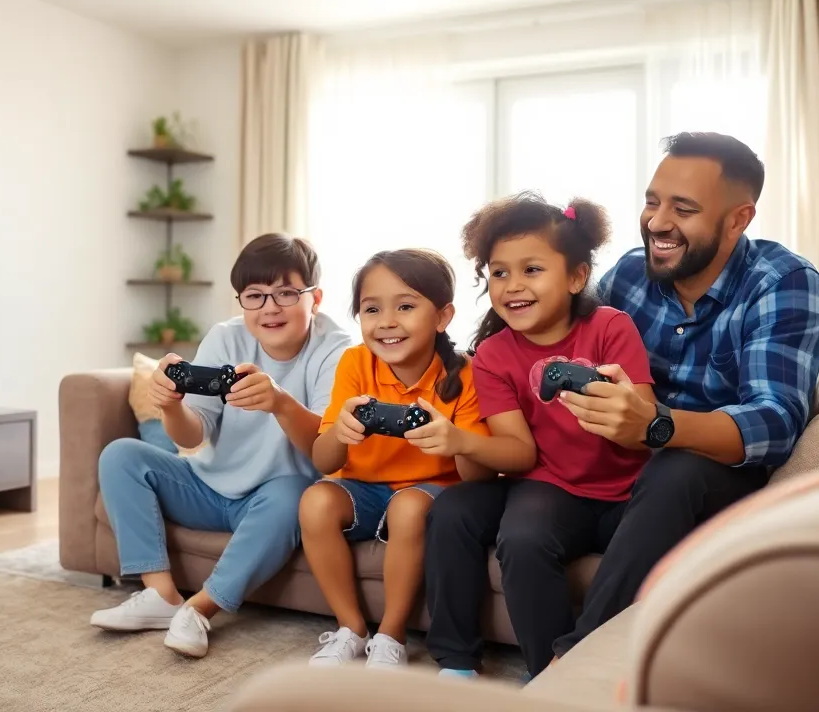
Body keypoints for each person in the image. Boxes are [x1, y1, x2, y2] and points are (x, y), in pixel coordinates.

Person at [550, 131, 819, 658]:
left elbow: (774, 422)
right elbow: (556, 341)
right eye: (652, 202)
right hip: (629, 480)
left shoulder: (783, 282)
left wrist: (657, 425)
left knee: (675, 470)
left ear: (737, 220)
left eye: (683, 209)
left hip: (717, 479)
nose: (657, 222)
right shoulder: (631, 276)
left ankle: (575, 662)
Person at [422, 195, 656, 680]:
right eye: (499, 273)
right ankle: (535, 675)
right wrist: (459, 441)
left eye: (531, 270)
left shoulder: (611, 327)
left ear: (575, 277)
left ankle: (587, 670)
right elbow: (520, 451)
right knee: (514, 534)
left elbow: (644, 427)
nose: (512, 286)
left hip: (627, 492)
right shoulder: (492, 354)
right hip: (551, 485)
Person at [89, 233, 353, 659]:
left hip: (276, 498)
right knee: (121, 454)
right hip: (207, 486)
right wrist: (171, 407)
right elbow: (194, 434)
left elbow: (324, 449)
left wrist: (281, 404)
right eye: (255, 295)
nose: (270, 307)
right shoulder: (225, 338)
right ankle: (161, 596)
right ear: (241, 301)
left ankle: (199, 609)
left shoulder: (338, 351)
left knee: (294, 494)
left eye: (286, 293)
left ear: (315, 298)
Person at [301, 249, 491, 669]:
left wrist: (454, 440)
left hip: (431, 488)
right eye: (371, 309)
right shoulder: (354, 362)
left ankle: (391, 634)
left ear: (442, 317)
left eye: (405, 306)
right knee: (314, 501)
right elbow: (321, 458)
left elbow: (478, 475)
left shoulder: (466, 373)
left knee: (408, 508)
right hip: (363, 488)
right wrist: (341, 431)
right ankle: (351, 628)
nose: (386, 321)